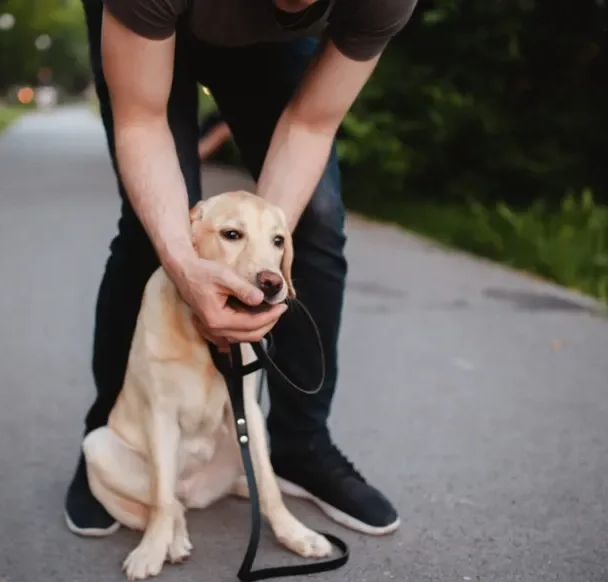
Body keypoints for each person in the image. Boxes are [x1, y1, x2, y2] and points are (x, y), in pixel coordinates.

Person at [65, 0, 418, 538]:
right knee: (150, 234)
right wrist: (184, 264)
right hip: (149, 26)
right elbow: (142, 122)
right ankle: (113, 436)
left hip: (270, 52)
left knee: (315, 220)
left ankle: (301, 447)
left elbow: (310, 125)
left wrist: (255, 270)